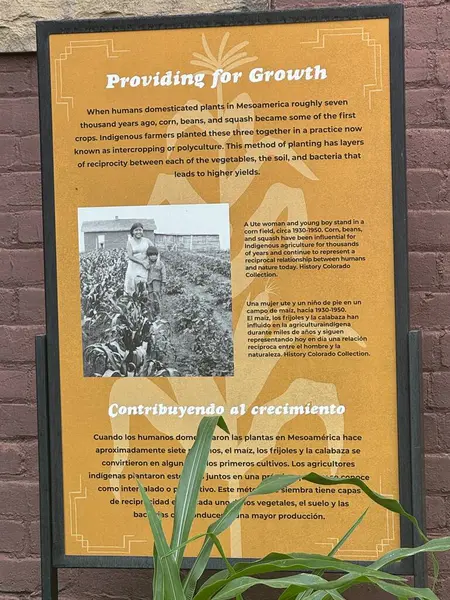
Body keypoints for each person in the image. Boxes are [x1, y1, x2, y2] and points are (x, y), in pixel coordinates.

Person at [124, 222, 154, 295]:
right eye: (136, 230)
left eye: (140, 230)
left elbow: (154, 251)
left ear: (142, 231)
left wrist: (155, 262)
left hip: (145, 266)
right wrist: (142, 262)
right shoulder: (130, 242)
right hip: (133, 266)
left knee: (143, 284)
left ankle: (144, 302)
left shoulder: (147, 241)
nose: (138, 232)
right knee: (131, 284)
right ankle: (131, 301)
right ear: (133, 232)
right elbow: (130, 256)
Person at [144, 245, 166, 316]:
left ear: (157, 256)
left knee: (156, 294)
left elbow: (163, 273)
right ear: (148, 256)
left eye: (155, 255)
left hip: (157, 281)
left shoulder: (160, 264)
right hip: (149, 282)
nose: (153, 257)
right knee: (151, 296)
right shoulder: (148, 264)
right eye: (151, 255)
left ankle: (159, 311)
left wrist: (163, 283)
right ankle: (152, 310)